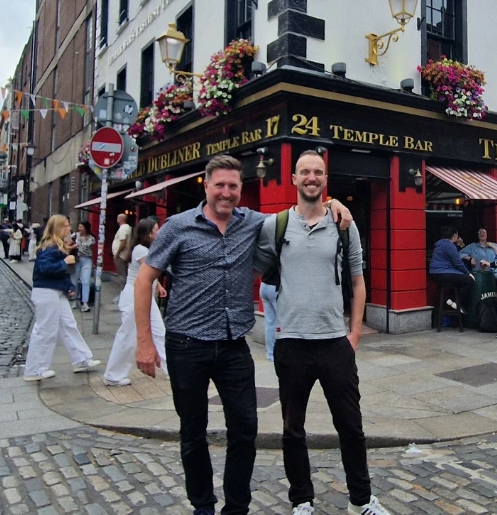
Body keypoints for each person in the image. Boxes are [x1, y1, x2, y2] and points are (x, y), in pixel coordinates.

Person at [133, 155, 352, 515]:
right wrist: (144, 342)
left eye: (233, 186)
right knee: (193, 432)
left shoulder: (252, 222)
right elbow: (144, 280)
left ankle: (236, 508)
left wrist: (332, 202)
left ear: (240, 189)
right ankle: (203, 506)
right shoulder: (177, 226)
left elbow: (299, 213)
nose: (226, 192)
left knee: (245, 429)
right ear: (206, 186)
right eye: (219, 185)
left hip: (234, 346)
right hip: (187, 345)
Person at [255, 150, 390, 515]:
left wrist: (354, 334)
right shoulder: (276, 226)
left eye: (318, 172)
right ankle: (301, 500)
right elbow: (252, 264)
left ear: (325, 180)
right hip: (291, 342)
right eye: (305, 172)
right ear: (294, 179)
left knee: (351, 428)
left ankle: (360, 500)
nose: (311, 177)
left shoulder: (344, 225)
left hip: (334, 343)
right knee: (292, 430)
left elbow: (358, 281)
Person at [23, 214, 100, 381]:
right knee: (45, 330)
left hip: (54, 290)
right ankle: (34, 370)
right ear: (58, 227)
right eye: (66, 226)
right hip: (46, 291)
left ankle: (81, 359)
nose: (69, 228)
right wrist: (65, 262)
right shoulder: (50, 246)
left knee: (68, 324)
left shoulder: (55, 246)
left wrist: (68, 287)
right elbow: (44, 268)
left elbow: (57, 273)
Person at [103, 218, 167, 386]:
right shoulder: (140, 250)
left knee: (159, 332)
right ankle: (113, 375)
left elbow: (149, 274)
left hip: (143, 296)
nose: (158, 231)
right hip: (134, 297)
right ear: (149, 233)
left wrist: (158, 286)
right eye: (156, 229)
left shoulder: (145, 248)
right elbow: (151, 269)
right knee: (128, 336)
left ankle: (170, 369)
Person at [429, 226, 475, 317]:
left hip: (435, 273)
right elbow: (458, 263)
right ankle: (453, 300)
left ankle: (451, 301)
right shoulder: (449, 245)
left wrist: (458, 245)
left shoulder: (442, 244)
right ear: (454, 235)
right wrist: (469, 273)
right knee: (469, 280)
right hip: (442, 273)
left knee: (460, 280)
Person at [70, 221, 96, 312]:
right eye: (79, 227)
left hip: (87, 260)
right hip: (76, 260)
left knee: (85, 281)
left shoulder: (91, 238)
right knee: (74, 281)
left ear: (86, 228)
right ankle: (74, 299)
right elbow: (67, 242)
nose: (79, 228)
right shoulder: (75, 236)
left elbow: (90, 249)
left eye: (81, 227)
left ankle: (85, 303)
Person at [259, 278, 279, 362]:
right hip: (276, 287)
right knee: (283, 322)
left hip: (264, 285)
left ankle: (271, 354)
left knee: (270, 323)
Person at [112, 213, 132, 293]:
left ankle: (123, 292)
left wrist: (117, 254)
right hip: (123, 255)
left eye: (118, 218)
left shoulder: (123, 228)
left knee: (121, 274)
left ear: (120, 219)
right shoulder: (127, 227)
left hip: (120, 255)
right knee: (124, 274)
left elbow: (123, 243)